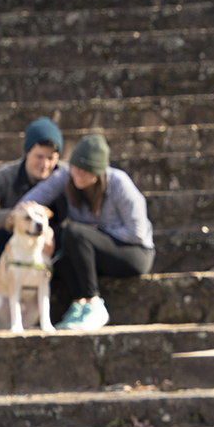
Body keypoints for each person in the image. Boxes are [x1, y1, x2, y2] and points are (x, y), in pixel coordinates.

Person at [19, 134, 154, 331]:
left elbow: (137, 233)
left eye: (86, 171)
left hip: (133, 252)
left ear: (98, 172)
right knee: (60, 240)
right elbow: (27, 203)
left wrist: (98, 230)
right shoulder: (66, 176)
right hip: (92, 250)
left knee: (75, 232)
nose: (78, 175)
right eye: (75, 168)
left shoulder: (120, 184)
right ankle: (78, 305)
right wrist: (45, 230)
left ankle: (94, 304)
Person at [0, 117, 64, 281]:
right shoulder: (5, 176)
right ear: (27, 152)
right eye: (39, 156)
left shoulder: (65, 175)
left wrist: (49, 231)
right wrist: (15, 216)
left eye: (51, 158)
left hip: (53, 246)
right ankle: (1, 289)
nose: (45, 164)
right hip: (15, 245)